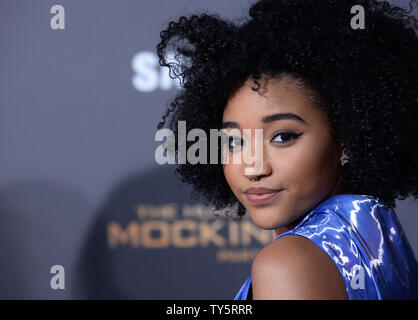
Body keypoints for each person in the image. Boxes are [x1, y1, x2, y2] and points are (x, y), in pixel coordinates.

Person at [155, 0, 418, 299]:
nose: (253, 167)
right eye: (235, 141)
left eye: (282, 137)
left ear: (346, 137)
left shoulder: (287, 264)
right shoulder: (376, 232)